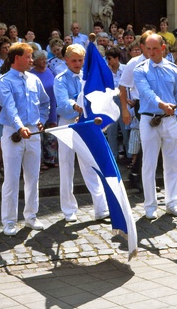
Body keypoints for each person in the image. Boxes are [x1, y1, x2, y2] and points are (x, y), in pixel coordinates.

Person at [0, 42, 50, 236]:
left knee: (33, 177)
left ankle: (31, 216)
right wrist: (20, 127)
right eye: (28, 56)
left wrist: (41, 120)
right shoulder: (4, 81)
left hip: (34, 133)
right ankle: (9, 220)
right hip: (14, 133)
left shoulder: (34, 80)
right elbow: (9, 108)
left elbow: (45, 103)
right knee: (11, 179)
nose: (32, 60)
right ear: (17, 58)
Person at [133, 33, 177, 219]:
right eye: (148, 49)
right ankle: (150, 205)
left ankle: (172, 202)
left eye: (155, 48)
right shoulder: (140, 70)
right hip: (149, 120)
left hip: (170, 121)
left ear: (163, 48)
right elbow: (146, 93)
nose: (151, 52)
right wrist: (161, 104)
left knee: (172, 163)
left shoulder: (172, 69)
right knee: (149, 163)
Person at [53, 44, 109, 222]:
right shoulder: (60, 79)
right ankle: (69, 210)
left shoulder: (88, 77)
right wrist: (76, 106)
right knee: (66, 166)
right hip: (68, 123)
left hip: (86, 123)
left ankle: (101, 208)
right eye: (74, 60)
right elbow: (62, 101)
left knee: (90, 164)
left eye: (80, 60)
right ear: (66, 60)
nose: (77, 63)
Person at [30, 50, 58, 171]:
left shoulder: (50, 72)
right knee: (38, 136)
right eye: (41, 59)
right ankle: (39, 162)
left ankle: (50, 159)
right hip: (37, 109)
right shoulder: (31, 75)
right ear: (35, 62)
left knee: (51, 135)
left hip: (52, 106)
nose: (45, 61)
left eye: (45, 59)